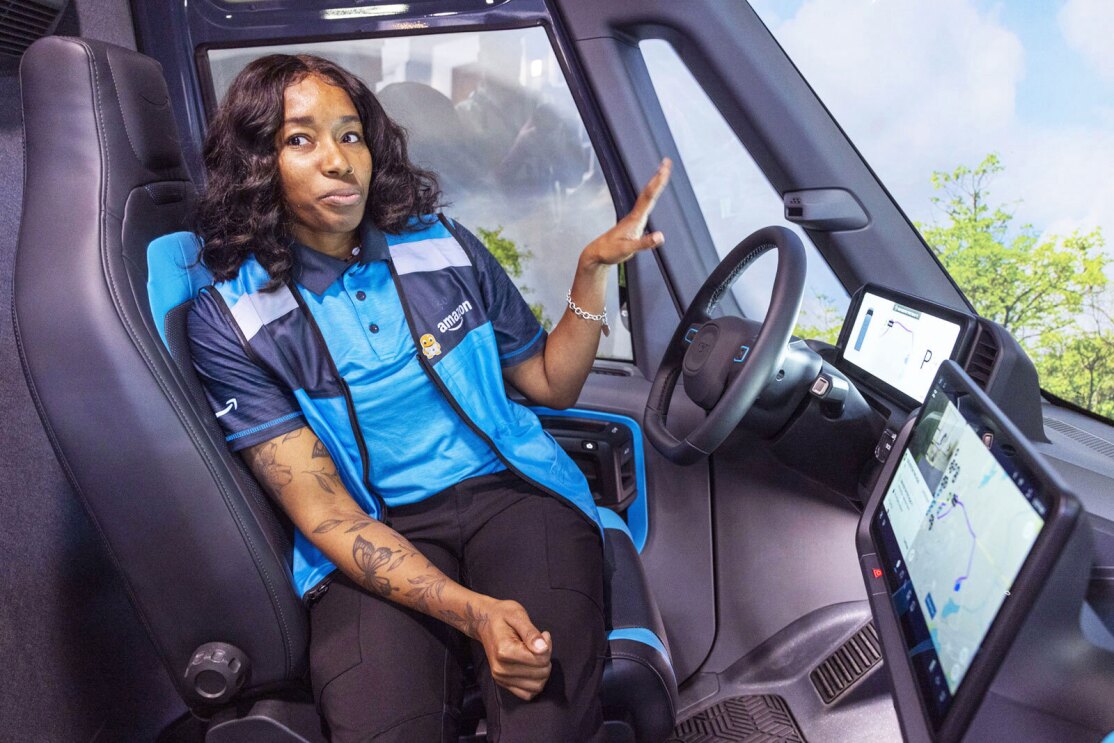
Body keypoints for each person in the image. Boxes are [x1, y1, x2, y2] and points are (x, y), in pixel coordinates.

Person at [186, 53, 671, 742]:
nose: (338, 160)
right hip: (369, 532)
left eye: (351, 134)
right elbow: (324, 513)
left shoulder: (439, 245)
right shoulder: (232, 316)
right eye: (301, 139)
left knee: (544, 716)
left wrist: (590, 274)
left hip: (512, 494)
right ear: (256, 162)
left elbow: (548, 383)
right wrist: (473, 612)